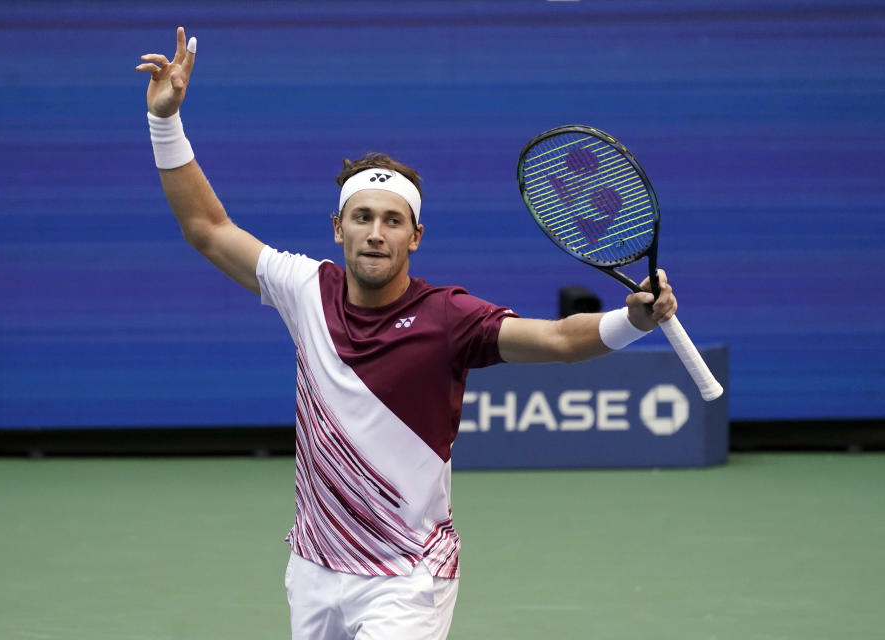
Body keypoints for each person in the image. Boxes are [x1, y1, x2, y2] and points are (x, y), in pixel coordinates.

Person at [136, 27, 677, 640]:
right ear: (337, 227)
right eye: (362, 218)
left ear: (414, 236)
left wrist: (632, 320)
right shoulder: (305, 288)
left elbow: (557, 340)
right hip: (314, 568)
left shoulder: (450, 317)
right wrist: (165, 122)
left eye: (393, 221)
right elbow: (208, 228)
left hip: (409, 577)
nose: (376, 233)